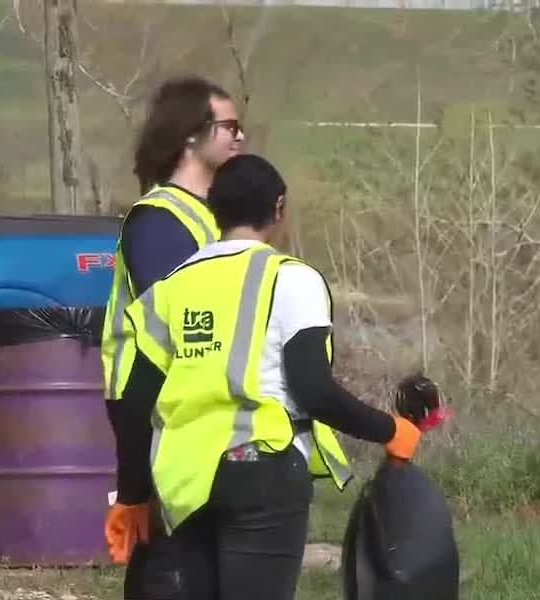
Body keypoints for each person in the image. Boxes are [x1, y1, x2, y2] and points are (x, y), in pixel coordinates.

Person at [110, 154, 424, 600]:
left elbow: (135, 401)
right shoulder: (292, 279)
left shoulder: (171, 286)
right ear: (279, 208)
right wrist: (390, 430)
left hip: (183, 478)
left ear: (213, 210)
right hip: (263, 469)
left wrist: (132, 495)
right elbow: (312, 390)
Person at [101, 75, 244, 599]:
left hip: (196, 404)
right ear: (190, 135)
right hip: (152, 402)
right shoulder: (159, 219)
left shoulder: (214, 219)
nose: (240, 138)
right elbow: (174, 319)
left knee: (197, 549)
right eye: (229, 126)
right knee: (166, 555)